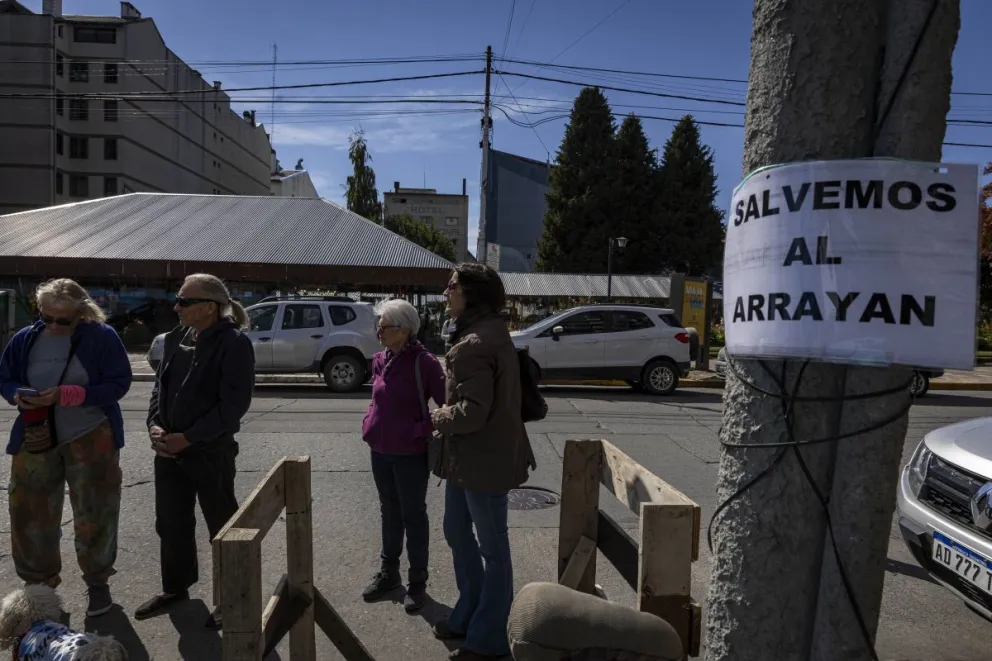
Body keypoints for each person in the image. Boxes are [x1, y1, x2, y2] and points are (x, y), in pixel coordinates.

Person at [0, 278, 132, 618]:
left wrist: (72, 395)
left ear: (82, 312)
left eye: (64, 319)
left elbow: (119, 382)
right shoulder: (25, 339)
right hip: (36, 434)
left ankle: (98, 584)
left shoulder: (102, 337)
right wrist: (17, 394)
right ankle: (39, 590)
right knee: (30, 513)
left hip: (91, 435)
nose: (54, 325)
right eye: (47, 317)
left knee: (96, 512)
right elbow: (5, 377)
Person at [134, 273, 255, 630]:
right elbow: (160, 388)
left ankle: (233, 599)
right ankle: (176, 588)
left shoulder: (233, 343)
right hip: (168, 452)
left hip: (209, 452)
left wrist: (188, 437)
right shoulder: (176, 337)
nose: (177, 307)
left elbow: (233, 406)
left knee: (223, 526)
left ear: (208, 307)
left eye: (184, 301)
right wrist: (155, 426)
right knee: (170, 524)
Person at [430, 264, 537, 661]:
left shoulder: (475, 342)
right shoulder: (487, 332)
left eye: (452, 285)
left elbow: (472, 413)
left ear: (471, 294)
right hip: (469, 461)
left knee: (493, 550)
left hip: (483, 462)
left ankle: (489, 639)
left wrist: (436, 417)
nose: (446, 292)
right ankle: (470, 614)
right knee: (457, 531)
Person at [360, 299, 445, 612]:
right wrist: (369, 424)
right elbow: (376, 400)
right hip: (380, 451)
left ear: (406, 330)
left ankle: (418, 582)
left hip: (411, 454)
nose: (379, 330)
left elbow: (447, 405)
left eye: (386, 326)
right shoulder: (380, 359)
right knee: (388, 511)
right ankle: (389, 573)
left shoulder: (425, 363)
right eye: (378, 324)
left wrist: (418, 429)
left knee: (413, 515)